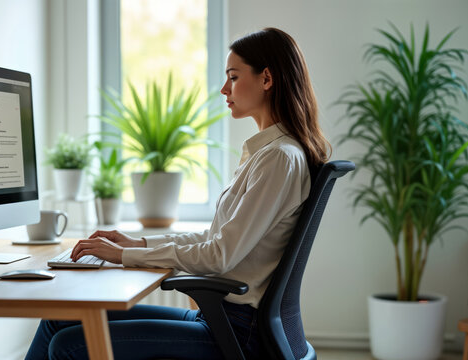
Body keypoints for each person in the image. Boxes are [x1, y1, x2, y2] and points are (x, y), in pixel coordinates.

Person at [25, 27, 330, 360]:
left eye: (233, 77)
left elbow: (219, 255)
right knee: (59, 319)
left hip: (237, 331)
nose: (223, 89)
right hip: (221, 320)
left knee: (67, 346)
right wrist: (136, 243)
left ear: (266, 79)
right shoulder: (269, 154)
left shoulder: (278, 158)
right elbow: (217, 237)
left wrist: (123, 257)